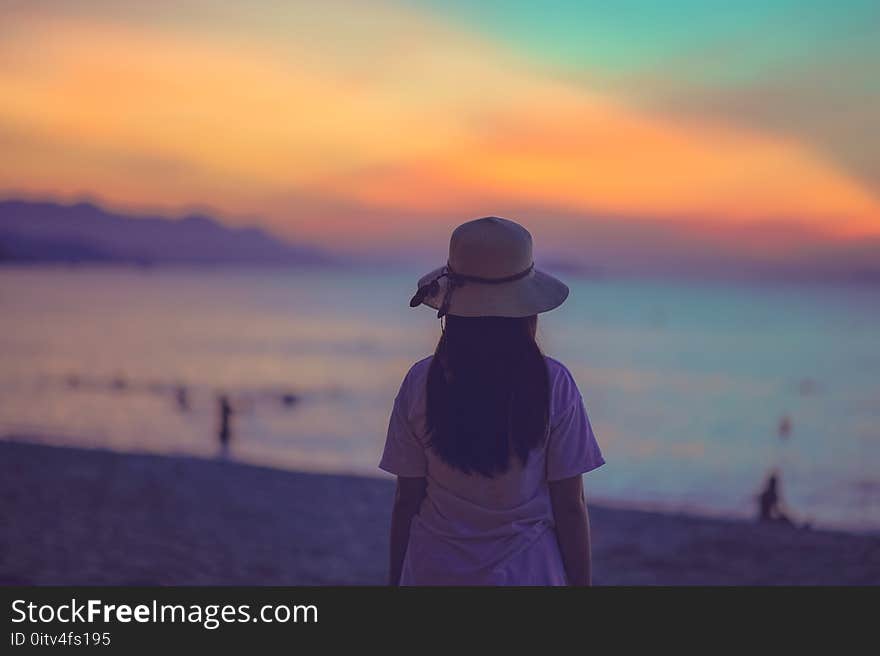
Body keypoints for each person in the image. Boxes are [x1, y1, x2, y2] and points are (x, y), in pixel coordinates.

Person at [380, 217, 605, 586]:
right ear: (526, 310)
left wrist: (395, 582)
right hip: (527, 574)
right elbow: (569, 505)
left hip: (434, 572)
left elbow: (408, 498)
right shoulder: (554, 384)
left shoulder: (421, 382)